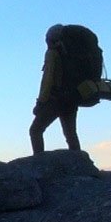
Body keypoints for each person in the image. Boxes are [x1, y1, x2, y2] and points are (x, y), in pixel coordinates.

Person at [29, 23, 81, 154]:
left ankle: (39, 162)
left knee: (35, 130)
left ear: (50, 38)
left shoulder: (52, 54)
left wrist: (40, 103)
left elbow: (47, 80)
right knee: (70, 134)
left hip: (56, 99)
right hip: (72, 98)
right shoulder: (71, 54)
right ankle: (79, 164)